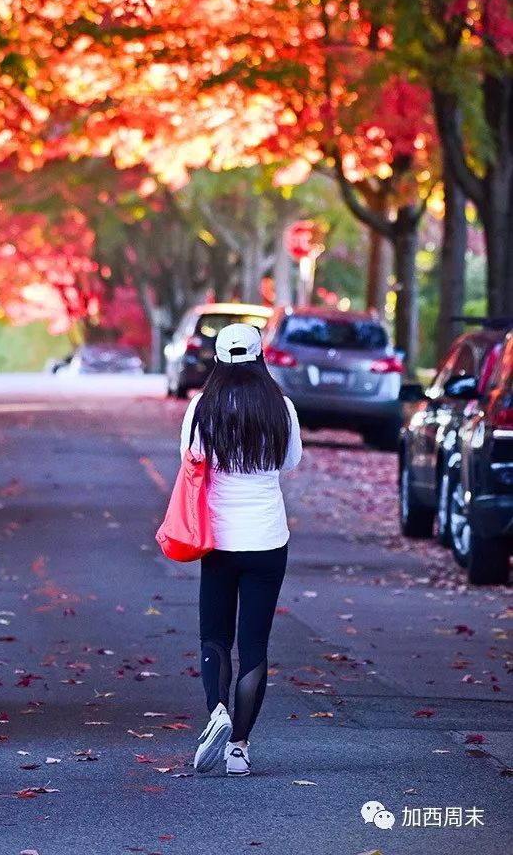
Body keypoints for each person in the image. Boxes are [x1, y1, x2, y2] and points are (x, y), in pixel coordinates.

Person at [182, 322, 302, 778]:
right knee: (254, 645)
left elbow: (189, 460)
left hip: (218, 540)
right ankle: (239, 748)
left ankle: (216, 713)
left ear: (218, 358)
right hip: (268, 540)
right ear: (259, 357)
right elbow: (290, 461)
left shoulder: (201, 408)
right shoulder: (282, 408)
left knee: (215, 636)